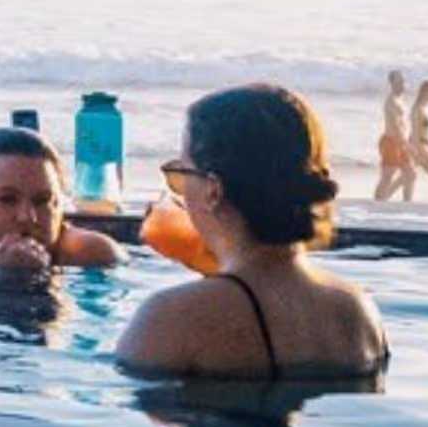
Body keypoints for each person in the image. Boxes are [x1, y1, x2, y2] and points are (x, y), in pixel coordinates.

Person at [119, 84, 388, 379]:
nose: (179, 193)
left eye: (181, 173)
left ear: (213, 190)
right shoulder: (358, 310)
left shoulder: (171, 317)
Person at [0, 125, 124, 281]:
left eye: (42, 201)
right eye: (7, 200)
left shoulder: (91, 254)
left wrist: (27, 279)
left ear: (59, 206)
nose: (27, 217)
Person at [372, 69, 411, 201]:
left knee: (410, 174)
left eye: (403, 81)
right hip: (391, 141)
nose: (402, 84)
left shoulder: (399, 99)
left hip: (400, 141)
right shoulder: (390, 101)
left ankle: (386, 197)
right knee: (387, 176)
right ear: (392, 83)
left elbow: (403, 123)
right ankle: (378, 202)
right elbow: (395, 124)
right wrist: (405, 143)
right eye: (399, 81)